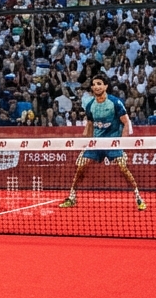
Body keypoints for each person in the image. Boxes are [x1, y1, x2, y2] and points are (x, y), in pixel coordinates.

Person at [59, 75, 146, 211]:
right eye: (94, 84)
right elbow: (89, 125)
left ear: (105, 86)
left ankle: (138, 197)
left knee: (123, 168)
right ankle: (72, 197)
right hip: (96, 143)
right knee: (81, 167)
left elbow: (126, 123)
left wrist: (121, 144)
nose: (96, 86)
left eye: (99, 83)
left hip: (113, 142)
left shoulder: (115, 103)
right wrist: (86, 143)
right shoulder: (90, 105)